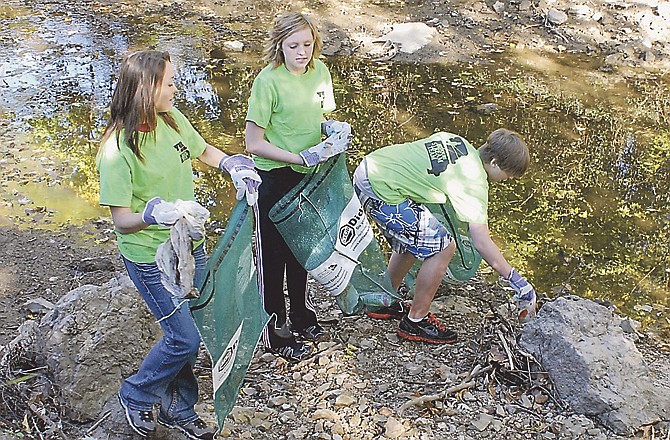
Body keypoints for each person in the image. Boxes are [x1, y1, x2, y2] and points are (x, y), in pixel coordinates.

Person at [96, 50, 260, 439]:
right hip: (151, 257)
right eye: (169, 82)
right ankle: (136, 394)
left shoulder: (171, 119)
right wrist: (151, 214)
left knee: (195, 328)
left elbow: (202, 150)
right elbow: (122, 221)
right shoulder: (117, 150)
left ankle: (177, 407)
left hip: (187, 243)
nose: (175, 88)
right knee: (183, 338)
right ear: (145, 88)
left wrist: (231, 165)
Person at [353, 129, 537, 344]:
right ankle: (416, 321)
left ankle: (384, 299)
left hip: (371, 168)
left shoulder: (456, 141)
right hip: (381, 188)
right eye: (508, 176)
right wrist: (516, 280)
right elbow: (481, 241)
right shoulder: (474, 181)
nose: (506, 181)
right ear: (495, 163)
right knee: (443, 247)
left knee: (418, 238)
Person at [245, 12, 351, 361]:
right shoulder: (268, 82)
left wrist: (332, 131)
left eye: (307, 44)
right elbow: (253, 143)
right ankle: (276, 331)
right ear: (280, 46)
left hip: (309, 174)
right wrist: (296, 157)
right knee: (273, 258)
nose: (302, 52)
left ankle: (303, 316)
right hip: (274, 177)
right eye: (293, 46)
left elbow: (318, 117)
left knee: (302, 250)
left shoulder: (320, 71)